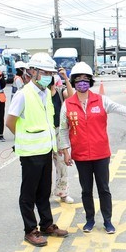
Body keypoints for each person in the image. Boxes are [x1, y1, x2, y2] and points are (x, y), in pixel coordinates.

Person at [59, 62, 126, 234]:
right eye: (79, 80)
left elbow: (120, 108)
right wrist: (66, 151)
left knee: (104, 189)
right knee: (86, 190)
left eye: (86, 79)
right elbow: (63, 129)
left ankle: (107, 221)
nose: (82, 83)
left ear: (90, 81)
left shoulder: (101, 100)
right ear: (73, 82)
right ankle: (89, 220)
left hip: (101, 154)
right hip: (81, 155)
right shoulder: (68, 105)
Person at [5, 52, 69, 247]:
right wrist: (24, 138)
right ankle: (30, 229)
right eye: (44, 72)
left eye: (51, 72)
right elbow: (10, 122)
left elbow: (49, 122)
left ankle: (47, 224)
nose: (49, 76)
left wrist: (55, 146)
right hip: (30, 154)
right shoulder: (23, 94)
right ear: (32, 72)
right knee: (29, 193)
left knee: (43, 191)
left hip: (45, 150)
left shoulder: (46, 94)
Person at [50, 69, 74, 204]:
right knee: (45, 167)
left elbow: (71, 97)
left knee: (62, 165)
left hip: (59, 131)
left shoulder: (60, 91)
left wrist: (66, 78)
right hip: (45, 133)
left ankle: (63, 193)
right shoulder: (41, 94)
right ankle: (44, 194)